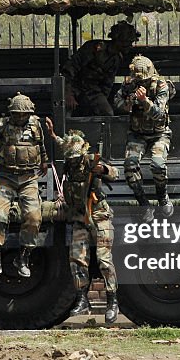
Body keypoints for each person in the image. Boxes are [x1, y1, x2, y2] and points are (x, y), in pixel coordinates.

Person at [44, 121, 120, 324]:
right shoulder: (70, 161)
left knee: (104, 261)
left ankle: (112, 301)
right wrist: (52, 135)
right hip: (79, 218)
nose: (73, 162)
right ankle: (82, 299)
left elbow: (114, 173)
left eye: (76, 159)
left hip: (99, 216)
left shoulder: (88, 162)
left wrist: (102, 170)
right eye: (71, 159)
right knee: (76, 260)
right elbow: (65, 143)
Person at [0, 93, 48, 279]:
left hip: (28, 179)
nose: (20, 117)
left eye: (23, 114)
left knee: (34, 217)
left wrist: (44, 161)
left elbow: (41, 144)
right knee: (0, 216)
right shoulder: (2, 125)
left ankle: (23, 258)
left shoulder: (35, 124)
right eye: (16, 114)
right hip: (5, 178)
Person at [113, 55, 175, 222]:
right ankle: (144, 204)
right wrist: (129, 101)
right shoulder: (129, 84)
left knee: (158, 164)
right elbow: (117, 104)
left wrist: (144, 101)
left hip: (159, 134)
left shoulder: (161, 85)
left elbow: (159, 114)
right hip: (137, 133)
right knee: (129, 167)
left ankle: (162, 198)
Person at [62, 20, 141, 115]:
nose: (129, 46)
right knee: (65, 113)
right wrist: (68, 93)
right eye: (127, 42)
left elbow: (107, 85)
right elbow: (69, 69)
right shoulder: (94, 48)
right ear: (118, 40)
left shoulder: (116, 58)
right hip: (74, 87)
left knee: (107, 113)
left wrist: (100, 103)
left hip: (92, 91)